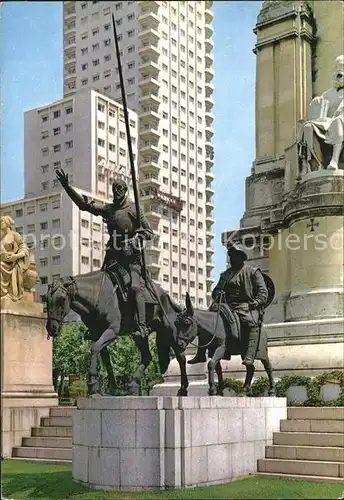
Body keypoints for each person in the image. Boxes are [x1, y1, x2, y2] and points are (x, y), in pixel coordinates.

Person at [55, 169, 153, 337]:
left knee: (136, 288)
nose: (116, 192)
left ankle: (141, 325)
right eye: (114, 189)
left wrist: (136, 239)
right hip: (113, 257)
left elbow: (149, 232)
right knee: (98, 288)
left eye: (120, 189)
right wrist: (67, 187)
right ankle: (96, 325)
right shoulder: (109, 209)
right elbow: (84, 206)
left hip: (131, 260)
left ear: (125, 190)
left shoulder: (135, 209)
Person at [188, 242, 268, 366]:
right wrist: (218, 293)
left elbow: (263, 292)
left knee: (250, 322)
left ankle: (250, 355)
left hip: (245, 305)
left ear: (241, 257)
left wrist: (256, 302)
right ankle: (201, 353)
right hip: (225, 306)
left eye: (234, 256)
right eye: (230, 256)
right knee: (206, 321)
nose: (231, 259)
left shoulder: (252, 272)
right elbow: (216, 290)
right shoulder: (225, 275)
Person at [297, 54, 344, 172]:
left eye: (342, 67)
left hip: (339, 120)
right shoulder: (329, 93)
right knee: (307, 127)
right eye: (337, 68)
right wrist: (316, 101)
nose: (339, 72)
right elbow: (320, 107)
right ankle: (319, 164)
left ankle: (334, 160)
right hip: (328, 122)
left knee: (338, 121)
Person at [0, 215, 31, 301]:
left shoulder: (14, 235)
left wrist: (16, 256)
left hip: (12, 263)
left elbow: (24, 248)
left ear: (7, 223)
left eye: (2, 221)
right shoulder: (1, 238)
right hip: (3, 260)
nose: (0, 223)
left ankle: (5, 292)